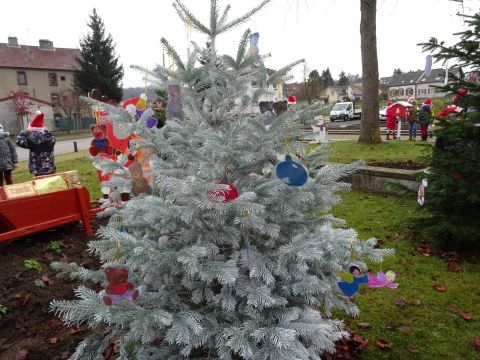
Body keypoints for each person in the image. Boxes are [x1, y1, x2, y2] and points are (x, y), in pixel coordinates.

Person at [16, 111, 56, 175]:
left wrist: (26, 132)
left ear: (32, 129)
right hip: (50, 168)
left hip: (38, 170)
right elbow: (49, 135)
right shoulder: (50, 137)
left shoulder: (32, 139)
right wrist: (46, 130)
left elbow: (19, 141)